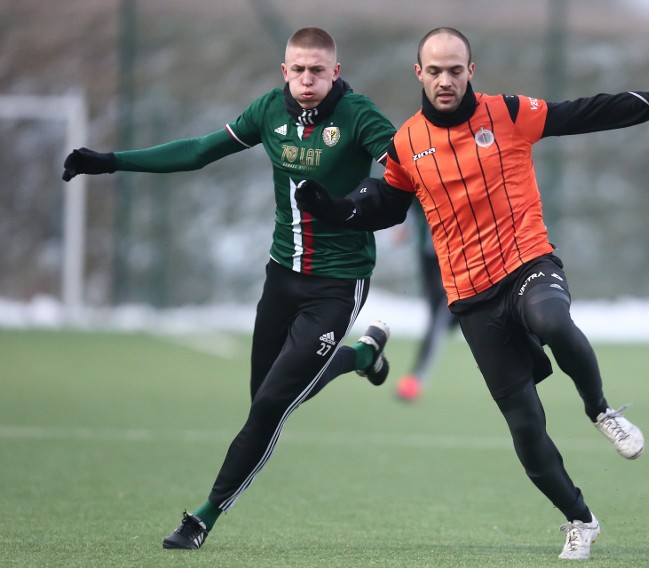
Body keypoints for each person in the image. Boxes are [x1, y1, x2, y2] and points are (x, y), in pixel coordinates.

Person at [295, 27, 649, 560]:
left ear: (471, 71)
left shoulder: (508, 114)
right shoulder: (406, 144)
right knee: (525, 427)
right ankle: (580, 520)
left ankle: (602, 411)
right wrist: (330, 208)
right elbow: (381, 205)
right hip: (471, 296)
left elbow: (585, 112)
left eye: (455, 69)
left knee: (553, 321)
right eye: (435, 70)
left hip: (527, 262)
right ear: (418, 74)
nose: (445, 80)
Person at [61, 27, 397, 550]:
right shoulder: (268, 111)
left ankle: (201, 518)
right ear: (284, 72)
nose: (308, 79)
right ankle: (361, 357)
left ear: (336, 71)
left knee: (270, 407)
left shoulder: (359, 115)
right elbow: (198, 151)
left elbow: (401, 172)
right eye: (298, 70)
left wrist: (361, 202)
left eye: (318, 70)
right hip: (281, 276)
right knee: (265, 398)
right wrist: (111, 161)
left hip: (338, 284)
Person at [394, 201, 460, 401]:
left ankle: (416, 377)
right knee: (441, 315)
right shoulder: (416, 179)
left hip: (454, 255)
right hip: (428, 256)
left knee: (443, 311)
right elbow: (410, 205)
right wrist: (405, 227)